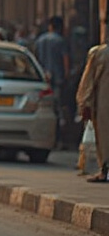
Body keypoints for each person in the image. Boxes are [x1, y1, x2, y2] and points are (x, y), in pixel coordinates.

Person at [76, 15, 108, 182]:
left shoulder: (98, 53)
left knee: (104, 136)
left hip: (103, 105)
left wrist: (84, 102)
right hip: (103, 103)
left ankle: (104, 170)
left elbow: (87, 83)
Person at [33, 15, 71, 145]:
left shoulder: (40, 40)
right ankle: (59, 139)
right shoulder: (61, 41)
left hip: (43, 80)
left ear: (50, 26)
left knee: (45, 109)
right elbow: (65, 60)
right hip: (57, 80)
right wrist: (66, 76)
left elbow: (35, 59)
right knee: (58, 109)